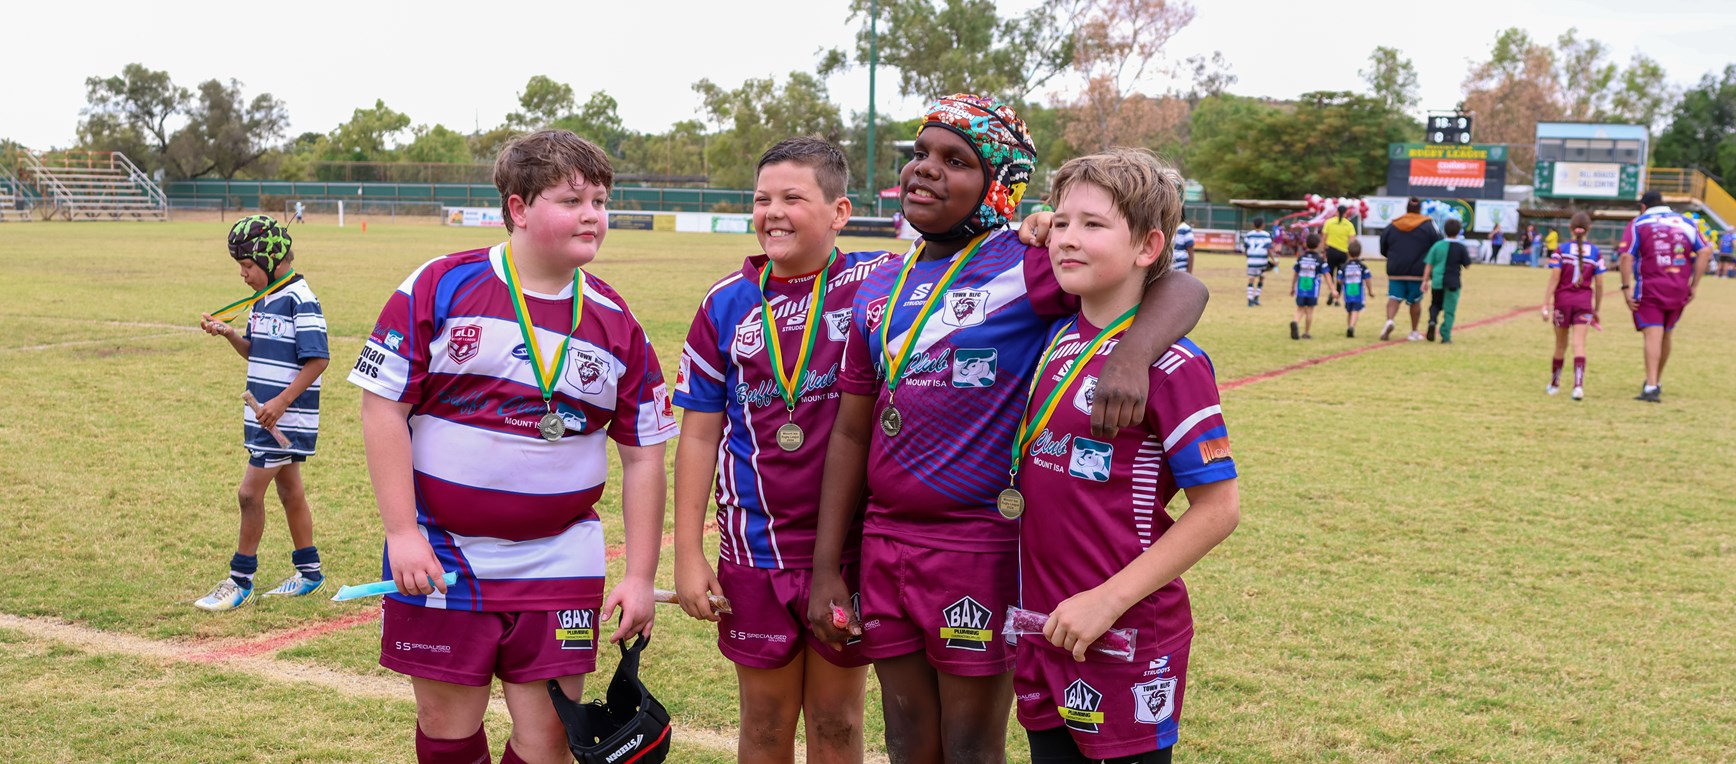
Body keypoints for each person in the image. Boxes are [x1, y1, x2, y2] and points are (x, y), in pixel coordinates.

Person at [804, 94, 1210, 764]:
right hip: (885, 543)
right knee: (907, 740)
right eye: (920, 155)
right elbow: (850, 435)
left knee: (970, 746)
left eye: (954, 160)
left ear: (998, 186)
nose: (925, 170)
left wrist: (1134, 355)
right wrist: (827, 566)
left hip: (980, 543)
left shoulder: (1028, 263)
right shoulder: (875, 287)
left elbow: (1181, 286)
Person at [348, 130, 678, 763]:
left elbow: (643, 454)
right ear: (519, 208)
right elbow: (381, 408)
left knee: (549, 740)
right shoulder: (441, 285)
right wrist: (401, 533)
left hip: (559, 563)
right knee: (446, 727)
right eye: (573, 199)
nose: (593, 215)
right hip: (443, 553)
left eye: (601, 201)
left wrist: (639, 577)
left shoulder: (616, 319)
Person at [1014, 148, 1240, 764]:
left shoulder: (1173, 366)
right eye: (1061, 222)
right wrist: (1036, 224)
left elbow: (1219, 509)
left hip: (1124, 631)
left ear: (1147, 247)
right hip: (1045, 622)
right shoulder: (1057, 334)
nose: (1067, 239)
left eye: (1093, 225)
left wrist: (1107, 600)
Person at [671, 137, 883, 763]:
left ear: (840, 213)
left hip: (849, 549)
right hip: (755, 549)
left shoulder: (880, 284)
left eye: (794, 197)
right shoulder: (724, 303)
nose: (774, 212)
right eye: (762, 199)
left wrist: (1031, 228)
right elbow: (701, 432)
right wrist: (687, 555)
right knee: (764, 724)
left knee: (838, 720)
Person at [194, 215, 330, 611]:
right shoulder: (263, 298)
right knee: (290, 491)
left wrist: (281, 402)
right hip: (267, 416)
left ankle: (240, 581)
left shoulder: (300, 298)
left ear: (270, 261)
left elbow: (318, 359)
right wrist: (230, 333)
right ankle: (310, 573)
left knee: (249, 493)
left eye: (248, 266)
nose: (243, 274)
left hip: (282, 418)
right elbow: (255, 351)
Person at [1619, 190, 1710, 403]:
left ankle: (1651, 387)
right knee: (1667, 333)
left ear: (1643, 207)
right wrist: (1694, 285)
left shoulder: (1639, 223)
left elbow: (1625, 255)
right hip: (1679, 287)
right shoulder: (1686, 222)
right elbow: (1705, 251)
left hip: (1650, 287)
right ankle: (1656, 380)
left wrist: (1625, 287)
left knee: (1653, 334)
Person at [1543, 212, 1606, 400]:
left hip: (1563, 302)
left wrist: (1546, 304)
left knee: (1560, 345)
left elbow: (1554, 278)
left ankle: (1555, 384)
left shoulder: (1561, 250)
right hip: (1584, 303)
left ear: (1570, 228)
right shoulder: (1595, 252)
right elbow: (1600, 284)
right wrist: (1597, 308)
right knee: (1579, 344)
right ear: (1589, 229)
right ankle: (1578, 386)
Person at [1378, 197, 1441, 341]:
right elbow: (1436, 245)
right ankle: (1414, 331)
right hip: (1418, 271)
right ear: (1420, 209)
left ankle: (1390, 321)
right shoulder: (1428, 225)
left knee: (1393, 298)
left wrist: (1392, 257)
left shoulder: (1393, 225)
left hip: (1396, 270)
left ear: (1406, 209)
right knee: (1415, 301)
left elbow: (1383, 246)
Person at [1421, 219, 1474, 343]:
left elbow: (1429, 264)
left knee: (1435, 304)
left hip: (1437, 280)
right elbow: (1467, 265)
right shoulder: (1461, 247)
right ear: (1458, 231)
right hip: (1452, 282)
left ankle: (1432, 320)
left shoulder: (1437, 246)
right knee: (1449, 310)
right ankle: (1445, 336)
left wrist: (1425, 280)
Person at [1290, 233, 1333, 340]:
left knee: (1300, 309)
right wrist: (1332, 289)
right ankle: (1306, 333)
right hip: (1312, 289)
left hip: (1301, 288)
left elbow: (1295, 273)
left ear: (1306, 244)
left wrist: (1292, 287)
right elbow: (1327, 275)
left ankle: (1295, 321)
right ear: (1318, 245)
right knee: (1309, 310)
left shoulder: (1301, 258)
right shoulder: (1320, 260)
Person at [1337, 240, 1374, 338]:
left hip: (1347, 293)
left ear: (1348, 252)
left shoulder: (1344, 266)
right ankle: (1352, 326)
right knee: (1356, 310)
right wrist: (1370, 291)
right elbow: (1368, 279)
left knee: (1349, 310)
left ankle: (1349, 326)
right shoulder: (1362, 266)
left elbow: (1339, 280)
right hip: (1358, 293)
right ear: (1360, 253)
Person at [1321, 204, 1356, 305]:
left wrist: (1323, 251)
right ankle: (1337, 298)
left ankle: (1332, 292)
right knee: (1340, 276)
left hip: (1331, 252)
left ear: (1336, 212)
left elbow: (1324, 238)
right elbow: (1352, 241)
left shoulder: (1329, 222)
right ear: (1346, 213)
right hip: (1343, 253)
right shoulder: (1349, 225)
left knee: (1330, 274)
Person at [1239, 216, 1274, 307]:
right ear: (1263, 225)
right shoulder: (1266, 235)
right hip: (1262, 260)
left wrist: (1248, 257)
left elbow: (1246, 248)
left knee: (1251, 278)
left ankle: (1250, 299)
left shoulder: (1249, 235)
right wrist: (1274, 260)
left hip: (1251, 260)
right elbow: (1268, 249)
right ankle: (1256, 297)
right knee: (1262, 277)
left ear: (1253, 225)